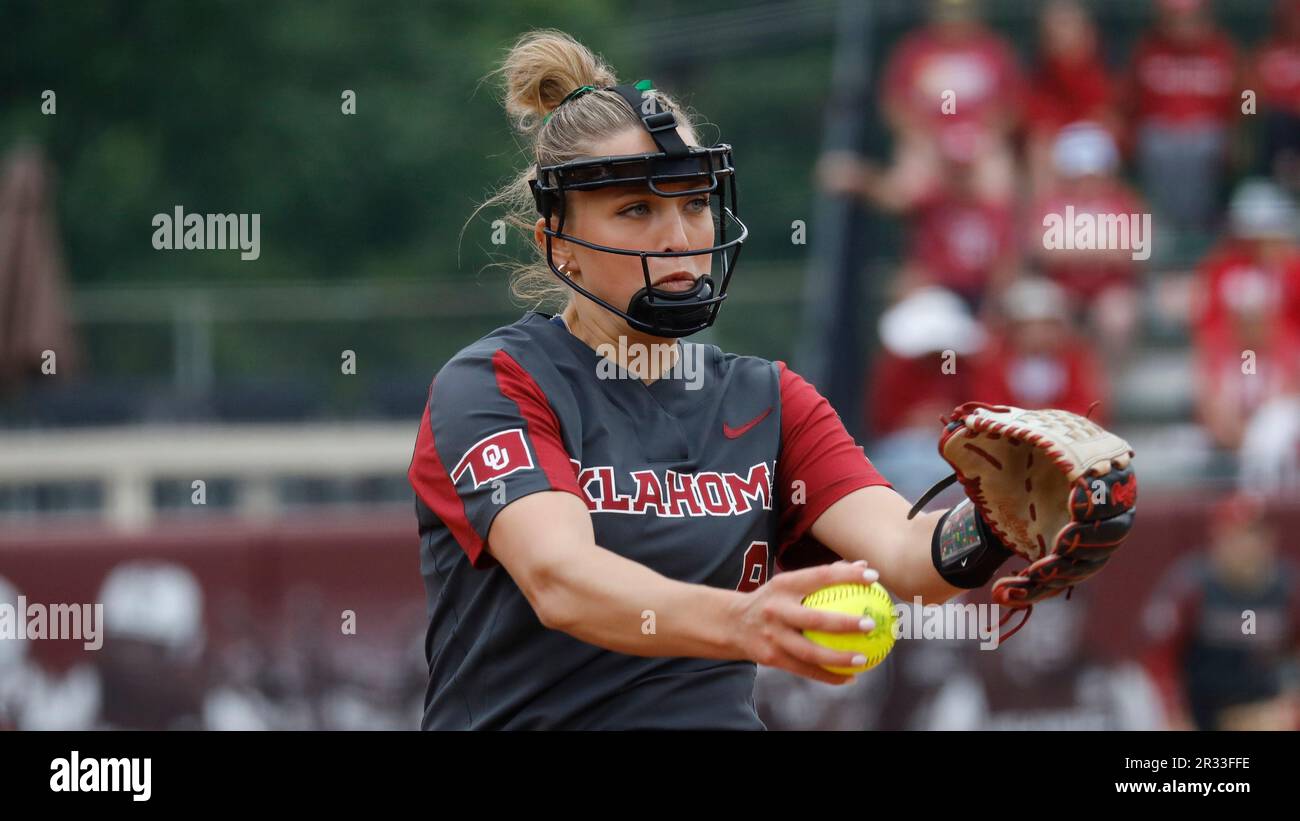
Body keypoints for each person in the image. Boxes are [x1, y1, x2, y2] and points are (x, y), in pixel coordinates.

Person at [406, 30, 1126, 730]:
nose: (679, 236)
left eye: (693, 202)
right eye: (637, 209)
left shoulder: (767, 398)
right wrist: (742, 619)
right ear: (557, 242)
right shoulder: (496, 382)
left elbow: (909, 555)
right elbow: (561, 581)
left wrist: (995, 520)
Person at [1142, 493, 1300, 730]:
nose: (1246, 545)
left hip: (1260, 708)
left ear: (1271, 539)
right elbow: (1158, 656)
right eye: (1235, 536)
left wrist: (1290, 701)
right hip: (1198, 708)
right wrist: (1173, 712)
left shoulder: (1288, 589)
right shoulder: (1191, 585)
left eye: (1254, 535)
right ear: (1217, 537)